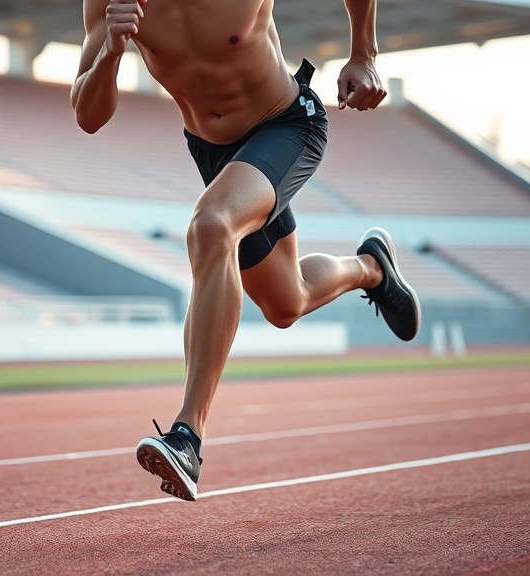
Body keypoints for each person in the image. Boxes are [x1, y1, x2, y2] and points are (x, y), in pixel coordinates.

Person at [71, 0, 420, 501]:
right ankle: (371, 268)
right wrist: (110, 51)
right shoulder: (108, 3)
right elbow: (87, 116)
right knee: (286, 303)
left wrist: (364, 53)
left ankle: (187, 436)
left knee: (212, 225)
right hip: (213, 150)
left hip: (285, 125)